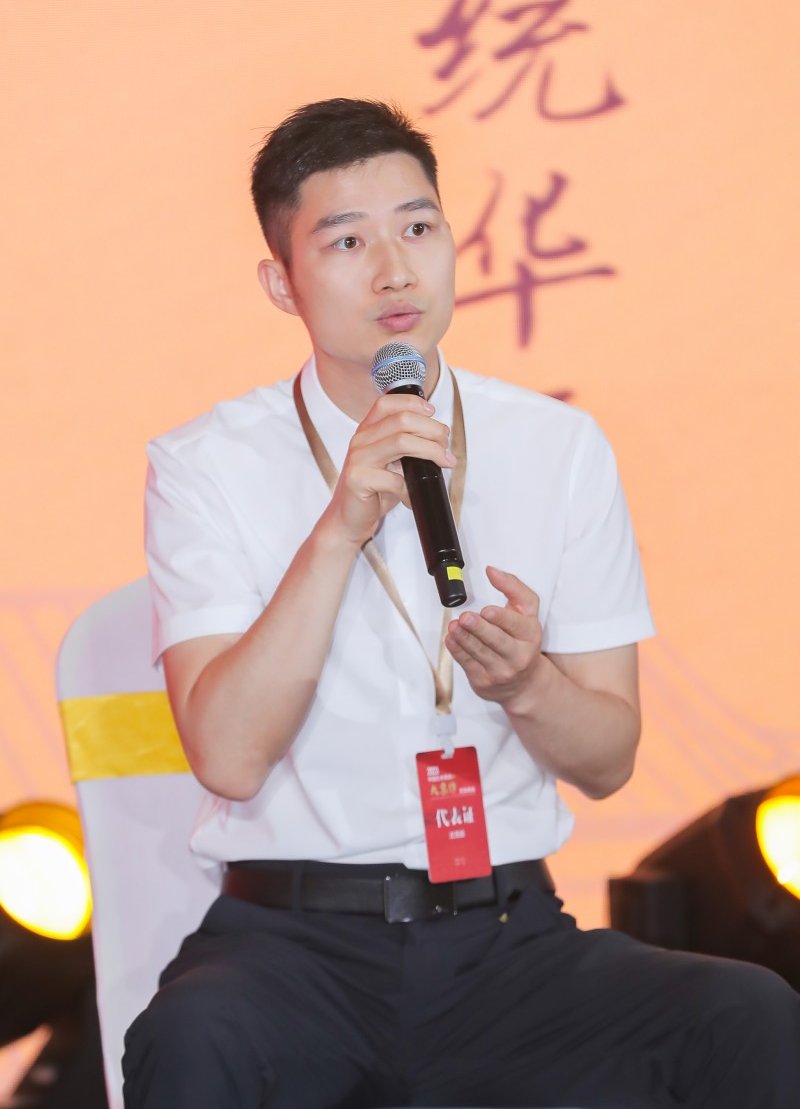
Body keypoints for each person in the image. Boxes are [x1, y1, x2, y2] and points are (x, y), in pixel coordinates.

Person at [123, 99, 800, 1109]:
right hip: (291, 949)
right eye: (346, 241)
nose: (395, 271)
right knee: (192, 1037)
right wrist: (338, 528)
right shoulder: (205, 464)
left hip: (507, 942)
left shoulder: (556, 447)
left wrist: (527, 683)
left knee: (743, 1012)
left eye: (417, 227)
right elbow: (227, 755)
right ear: (281, 282)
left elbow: (607, 759)